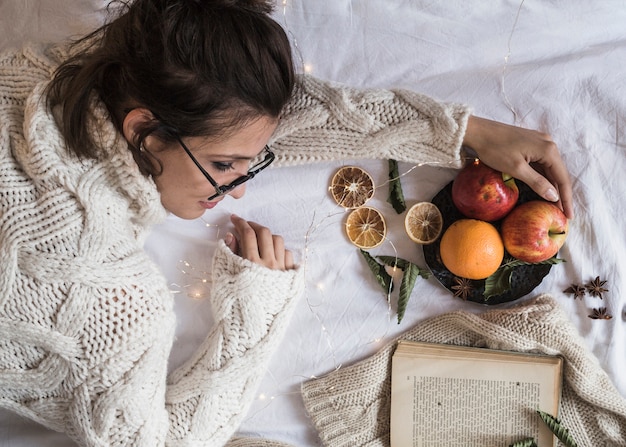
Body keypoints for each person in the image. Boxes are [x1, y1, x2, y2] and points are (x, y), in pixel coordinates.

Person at [0, 0, 573, 446]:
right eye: (224, 167)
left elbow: (249, 114)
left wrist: (466, 130)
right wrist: (255, 308)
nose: (240, 189)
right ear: (142, 130)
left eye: (249, 162)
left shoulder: (41, 74)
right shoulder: (109, 300)